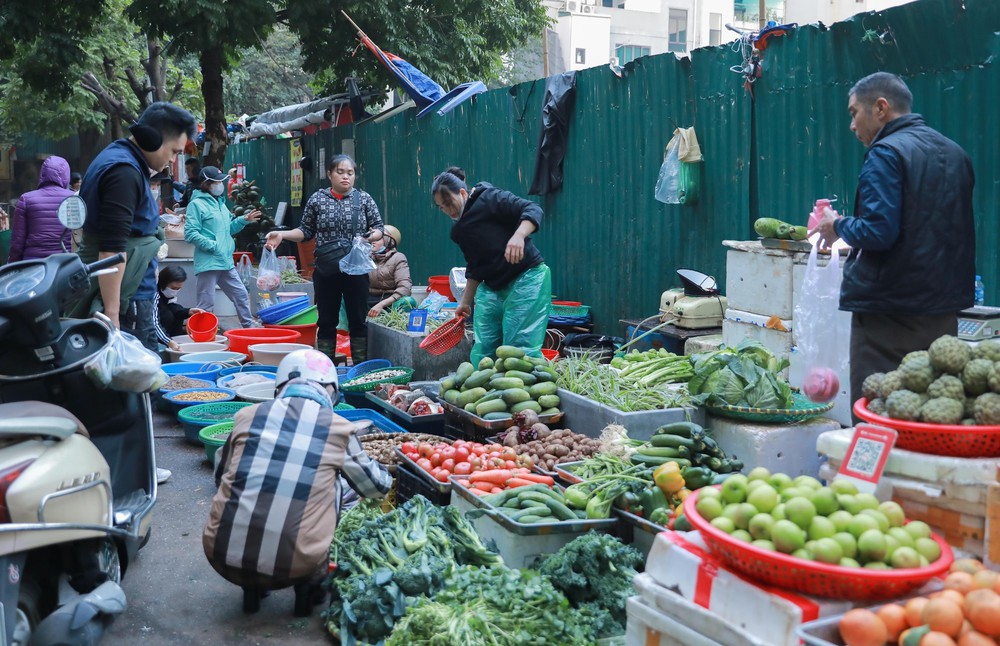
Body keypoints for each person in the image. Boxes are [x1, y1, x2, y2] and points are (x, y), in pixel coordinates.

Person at [811, 72, 976, 408]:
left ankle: (879, 463)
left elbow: (877, 231)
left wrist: (837, 225)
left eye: (854, 113)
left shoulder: (885, 153)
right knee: (932, 409)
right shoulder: (955, 152)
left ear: (881, 107)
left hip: (889, 316)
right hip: (943, 311)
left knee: (878, 408)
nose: (852, 126)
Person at [203, 349, 392, 617]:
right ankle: (309, 588)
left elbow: (220, 476)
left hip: (222, 556)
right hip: (298, 563)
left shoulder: (248, 416)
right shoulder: (337, 428)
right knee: (338, 487)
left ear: (280, 386)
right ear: (331, 391)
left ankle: (252, 589)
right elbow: (376, 488)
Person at [266, 155, 383, 364]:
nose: (346, 177)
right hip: (326, 271)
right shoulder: (317, 199)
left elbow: (379, 229)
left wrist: (372, 236)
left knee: (358, 321)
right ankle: (324, 367)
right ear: (329, 174)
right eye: (340, 172)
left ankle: (359, 368)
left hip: (356, 270)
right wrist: (282, 235)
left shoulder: (364, 199)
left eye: (350, 173)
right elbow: (305, 231)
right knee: (327, 321)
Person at [431, 166, 551, 366]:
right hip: (494, 286)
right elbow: (476, 266)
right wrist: (465, 303)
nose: (447, 210)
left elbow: (532, 209)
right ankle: (486, 394)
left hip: (526, 277)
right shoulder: (459, 231)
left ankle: (529, 391)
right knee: (484, 352)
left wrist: (519, 235)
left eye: (448, 203)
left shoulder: (490, 198)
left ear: (462, 193)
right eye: (441, 207)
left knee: (517, 352)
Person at [184, 166, 261, 328]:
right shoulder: (196, 204)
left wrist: (244, 220)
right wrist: (213, 246)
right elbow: (190, 233)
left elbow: (229, 230)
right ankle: (204, 334)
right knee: (206, 304)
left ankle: (249, 327)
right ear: (206, 184)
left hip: (225, 260)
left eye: (221, 181)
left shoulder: (221, 203)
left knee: (240, 294)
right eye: (217, 181)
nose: (220, 184)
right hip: (209, 262)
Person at [8, 155, 74, 263]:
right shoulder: (75, 198)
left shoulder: (26, 199)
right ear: (66, 174)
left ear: (42, 173)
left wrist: (13, 266)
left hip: (33, 267)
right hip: (66, 265)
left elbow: (17, 243)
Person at [153, 265, 204, 352]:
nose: (175, 291)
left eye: (178, 289)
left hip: (170, 336)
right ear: (163, 283)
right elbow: (154, 324)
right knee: (168, 315)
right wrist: (169, 342)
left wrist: (188, 312)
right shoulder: (154, 295)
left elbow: (173, 308)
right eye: (173, 288)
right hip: (156, 337)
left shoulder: (167, 296)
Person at [367, 224, 412, 317]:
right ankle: (342, 331)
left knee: (408, 301)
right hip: (366, 302)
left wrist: (381, 305)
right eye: (371, 239)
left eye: (378, 239)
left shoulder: (398, 258)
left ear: (389, 241)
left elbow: (405, 288)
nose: (372, 242)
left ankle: (395, 329)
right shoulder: (365, 257)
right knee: (343, 297)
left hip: (389, 303)